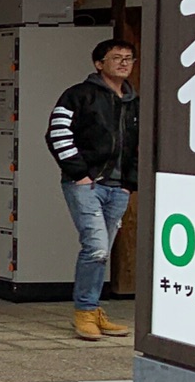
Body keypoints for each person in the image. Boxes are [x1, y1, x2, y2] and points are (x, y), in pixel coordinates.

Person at [45, 39, 139, 341]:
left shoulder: (134, 102)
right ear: (99, 64)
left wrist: (129, 184)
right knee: (96, 247)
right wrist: (79, 174)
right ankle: (85, 311)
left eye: (129, 58)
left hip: (118, 188)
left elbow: (141, 145)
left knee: (102, 251)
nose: (124, 63)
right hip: (86, 184)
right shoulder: (78, 95)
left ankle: (94, 310)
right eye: (116, 58)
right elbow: (57, 133)